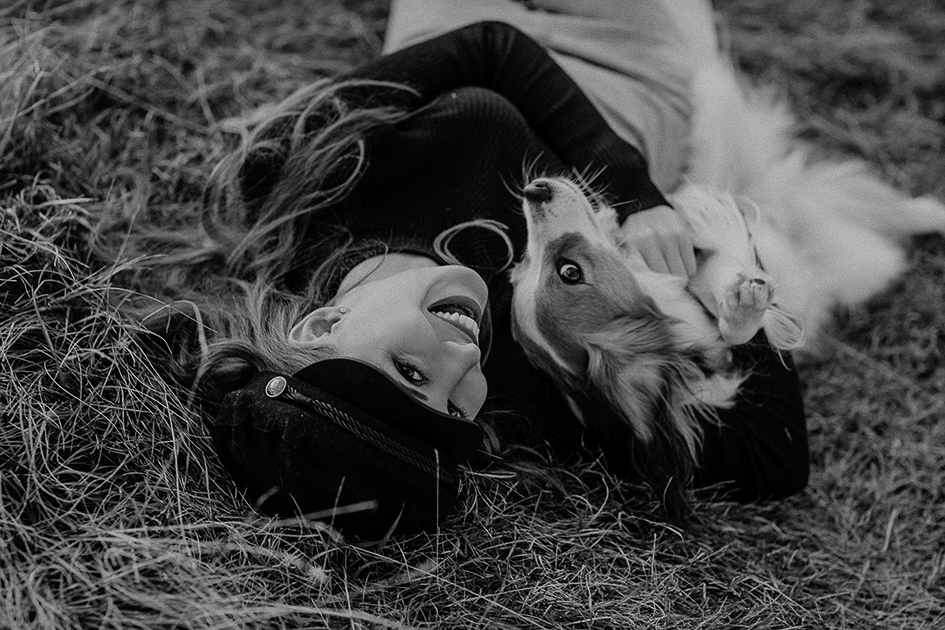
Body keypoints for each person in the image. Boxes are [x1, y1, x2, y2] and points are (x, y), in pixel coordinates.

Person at [125, 0, 808, 540]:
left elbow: (489, 47)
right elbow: (773, 459)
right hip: (628, 66)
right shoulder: (530, 378)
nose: (461, 362)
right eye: (454, 405)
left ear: (323, 325)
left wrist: (632, 194)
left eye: (409, 370)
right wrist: (734, 299)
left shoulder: (291, 194)